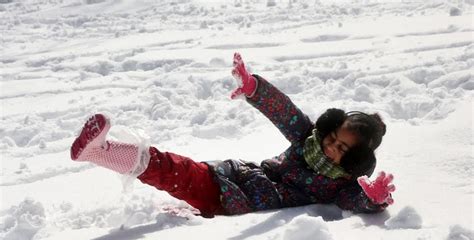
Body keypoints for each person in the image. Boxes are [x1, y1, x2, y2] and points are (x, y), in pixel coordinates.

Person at [70, 53, 395, 218]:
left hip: (237, 200)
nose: (330, 147)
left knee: (172, 170)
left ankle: (102, 152)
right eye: (333, 137)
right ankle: (100, 151)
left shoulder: (341, 184)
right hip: (241, 173)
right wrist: (253, 87)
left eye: (341, 149)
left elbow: (354, 200)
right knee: (176, 171)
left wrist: (373, 198)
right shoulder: (306, 137)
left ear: (351, 159)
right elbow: (283, 110)